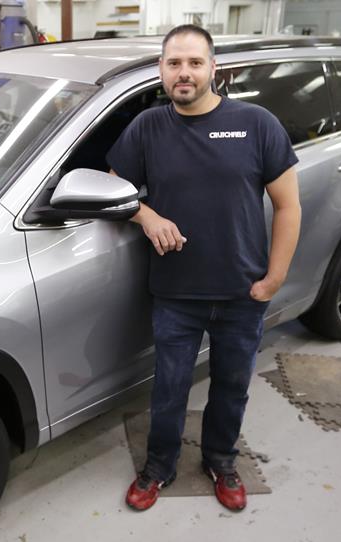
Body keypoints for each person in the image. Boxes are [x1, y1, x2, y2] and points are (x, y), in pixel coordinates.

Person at [106, 25, 302, 512]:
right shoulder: (148, 128)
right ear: (162, 71)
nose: (184, 73)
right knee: (169, 390)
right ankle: (159, 467)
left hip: (242, 292)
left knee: (232, 388)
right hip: (176, 293)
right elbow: (113, 187)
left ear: (214, 68)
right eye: (174, 64)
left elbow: (288, 206)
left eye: (195, 63)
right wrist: (146, 214)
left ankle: (221, 460)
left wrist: (274, 277)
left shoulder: (256, 123)